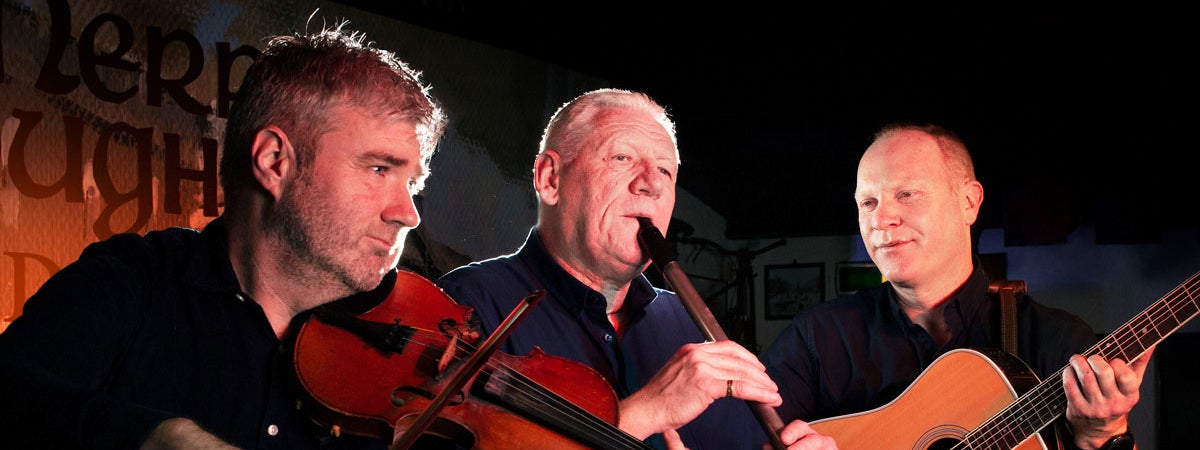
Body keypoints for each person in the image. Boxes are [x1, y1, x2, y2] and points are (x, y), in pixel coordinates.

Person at [0, 22, 446, 449]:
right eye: (379, 169)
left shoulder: (406, 363)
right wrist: (154, 436)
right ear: (274, 162)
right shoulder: (132, 282)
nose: (407, 214)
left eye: (414, 184)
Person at [434, 88, 832, 450]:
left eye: (665, 171)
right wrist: (640, 415)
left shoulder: (687, 322)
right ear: (550, 178)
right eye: (622, 157)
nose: (651, 185)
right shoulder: (464, 304)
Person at [764, 122, 1149, 450]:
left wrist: (1103, 434)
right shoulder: (815, 338)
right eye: (868, 202)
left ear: (968, 202)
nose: (881, 219)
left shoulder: (1058, 342)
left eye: (906, 194)